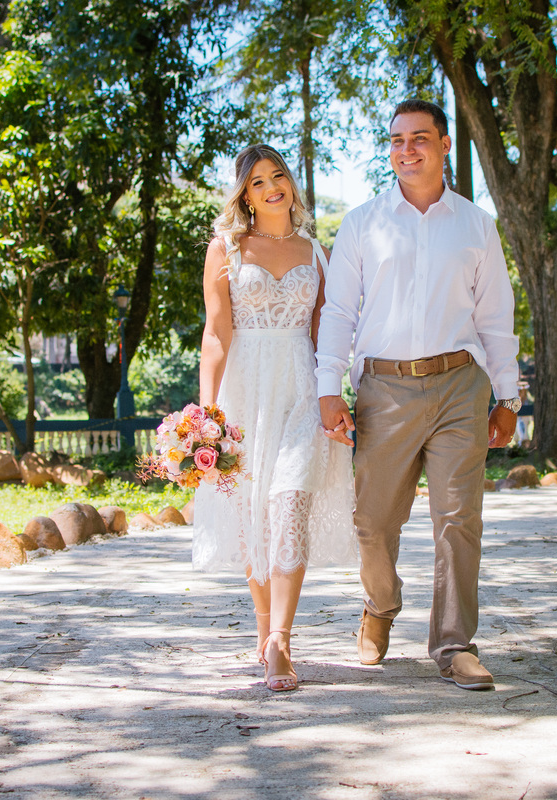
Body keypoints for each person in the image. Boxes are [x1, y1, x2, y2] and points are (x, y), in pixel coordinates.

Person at [316, 99, 520, 691]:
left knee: (458, 519)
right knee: (373, 523)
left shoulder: (476, 225)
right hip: (384, 387)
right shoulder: (361, 223)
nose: (407, 150)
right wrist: (330, 387)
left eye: (420, 138)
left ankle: (454, 645)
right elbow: (338, 313)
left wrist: (507, 398)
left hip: (460, 385)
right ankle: (381, 606)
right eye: (398, 140)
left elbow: (495, 317)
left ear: (445, 145)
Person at [193, 144, 357, 692]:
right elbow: (216, 335)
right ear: (244, 193)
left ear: (290, 183)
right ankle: (264, 634)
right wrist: (206, 416)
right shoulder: (227, 249)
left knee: (289, 505)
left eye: (278, 176)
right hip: (245, 389)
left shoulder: (317, 251)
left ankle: (282, 639)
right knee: (253, 514)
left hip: (300, 388)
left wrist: (333, 397)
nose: (270, 188)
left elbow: (324, 334)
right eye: (257, 181)